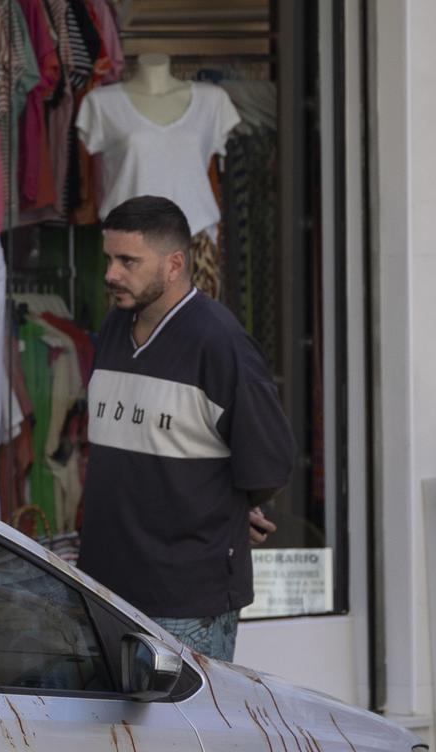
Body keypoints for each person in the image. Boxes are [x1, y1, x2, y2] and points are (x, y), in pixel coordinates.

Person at [77, 195, 294, 662]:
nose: (112, 273)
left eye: (128, 261)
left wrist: (229, 510)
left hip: (183, 605)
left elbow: (268, 468)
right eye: (109, 259)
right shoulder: (115, 327)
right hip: (101, 589)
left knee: (184, 737)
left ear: (174, 263)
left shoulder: (220, 344)